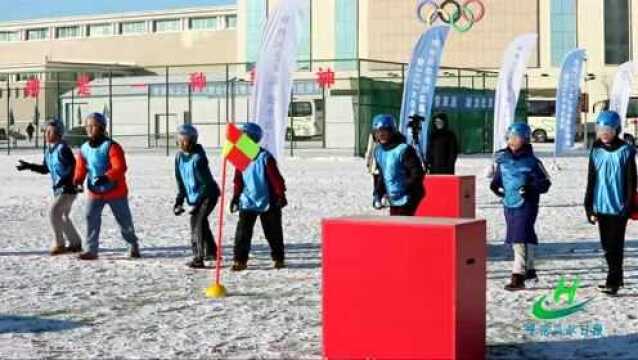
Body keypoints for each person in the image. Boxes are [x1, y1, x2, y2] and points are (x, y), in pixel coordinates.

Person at [490, 122, 551, 291]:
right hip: (509, 203)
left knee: (519, 237)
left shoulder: (532, 162)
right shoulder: (503, 160)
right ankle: (530, 270)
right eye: (510, 137)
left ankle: (518, 275)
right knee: (523, 234)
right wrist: (496, 188)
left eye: (516, 138)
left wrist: (531, 188)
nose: (512, 141)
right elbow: (497, 180)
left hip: (527, 203)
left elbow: (545, 183)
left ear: (525, 139)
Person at [73, 112, 141, 260]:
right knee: (91, 218)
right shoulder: (84, 148)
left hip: (115, 191)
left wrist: (106, 177)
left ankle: (132, 245)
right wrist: (77, 181)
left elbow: (120, 167)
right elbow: (81, 167)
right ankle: (91, 249)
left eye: (93, 126)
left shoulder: (112, 146)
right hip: (94, 191)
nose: (89, 129)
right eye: (87, 126)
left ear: (102, 128)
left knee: (124, 220)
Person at [584, 111, 637, 296]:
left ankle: (613, 281)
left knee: (615, 245)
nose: (604, 133)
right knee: (607, 245)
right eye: (600, 129)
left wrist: (628, 204)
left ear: (616, 130)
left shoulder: (626, 151)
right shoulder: (596, 151)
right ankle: (616, 277)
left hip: (618, 206)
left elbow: (632, 181)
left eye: (608, 129)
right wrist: (588, 206)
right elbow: (591, 179)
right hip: (601, 205)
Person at [16, 120, 82, 255]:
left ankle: (60, 243)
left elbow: (73, 166)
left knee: (54, 213)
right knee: (63, 216)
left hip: (68, 189)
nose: (46, 134)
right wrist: (29, 166)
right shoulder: (49, 151)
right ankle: (75, 243)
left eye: (50, 131)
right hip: (58, 189)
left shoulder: (63, 149)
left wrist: (70, 181)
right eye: (45, 131)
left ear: (58, 133)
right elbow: (45, 169)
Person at [230, 122, 287, 271]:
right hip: (248, 201)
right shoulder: (240, 157)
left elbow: (276, 179)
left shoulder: (264, 157)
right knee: (242, 232)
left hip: (268, 202)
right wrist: (236, 197)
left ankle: (278, 257)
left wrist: (281, 195)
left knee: (273, 232)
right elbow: (238, 180)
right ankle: (240, 260)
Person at [173, 124, 221, 269]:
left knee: (197, 223)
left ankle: (198, 257)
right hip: (196, 197)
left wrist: (197, 205)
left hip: (208, 195)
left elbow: (206, 184)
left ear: (193, 140)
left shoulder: (198, 158)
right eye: (179, 139)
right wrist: (179, 202)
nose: (182, 143)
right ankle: (212, 251)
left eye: (185, 140)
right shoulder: (179, 157)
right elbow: (180, 181)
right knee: (202, 222)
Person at [371, 114, 425, 216]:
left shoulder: (404, 150)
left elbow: (417, 173)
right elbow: (383, 175)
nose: (381, 136)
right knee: (395, 225)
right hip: (394, 198)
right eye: (378, 133)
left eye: (384, 132)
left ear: (392, 131)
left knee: (403, 225)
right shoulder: (379, 151)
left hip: (410, 196)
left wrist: (404, 187)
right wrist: (378, 193)